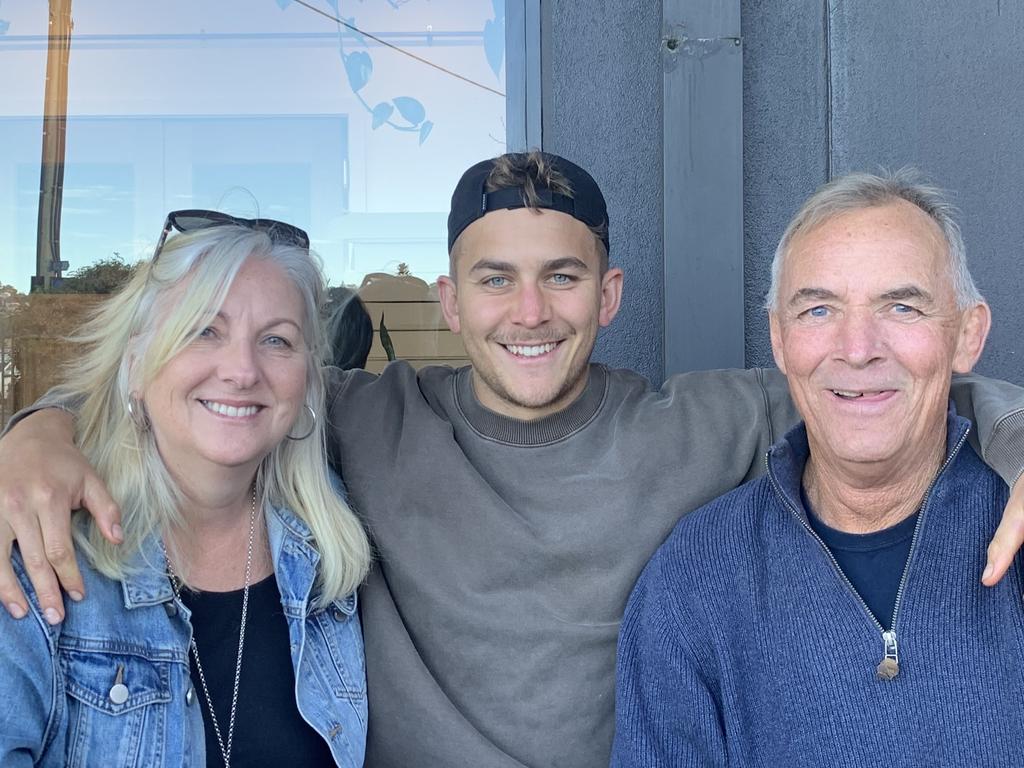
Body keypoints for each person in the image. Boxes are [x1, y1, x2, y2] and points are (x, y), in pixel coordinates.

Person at [2, 154, 1024, 768]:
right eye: (494, 279)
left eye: (561, 277)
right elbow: (205, 390)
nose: (528, 313)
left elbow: (880, 389)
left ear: (609, 295)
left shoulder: (701, 423)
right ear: (448, 301)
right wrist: (39, 433)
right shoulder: (364, 417)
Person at [612, 170, 1024, 766]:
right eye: (818, 310)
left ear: (967, 334)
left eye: (902, 307)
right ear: (780, 341)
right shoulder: (697, 576)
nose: (857, 348)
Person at [0, 214, 371, 766]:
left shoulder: (331, 553)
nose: (242, 370)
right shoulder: (37, 546)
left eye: (276, 340)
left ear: (309, 381)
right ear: (135, 366)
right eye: (204, 330)